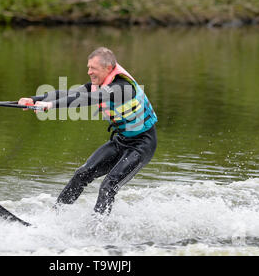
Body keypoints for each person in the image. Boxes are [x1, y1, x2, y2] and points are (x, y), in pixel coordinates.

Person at [19, 47, 158, 215]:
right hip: (120, 141)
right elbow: (69, 93)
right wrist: (33, 99)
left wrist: (50, 105)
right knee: (82, 173)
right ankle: (55, 216)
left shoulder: (123, 87)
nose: (89, 72)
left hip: (142, 145)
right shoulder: (99, 84)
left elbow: (87, 99)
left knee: (108, 185)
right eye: (88, 67)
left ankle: (98, 228)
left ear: (108, 68)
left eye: (93, 68)